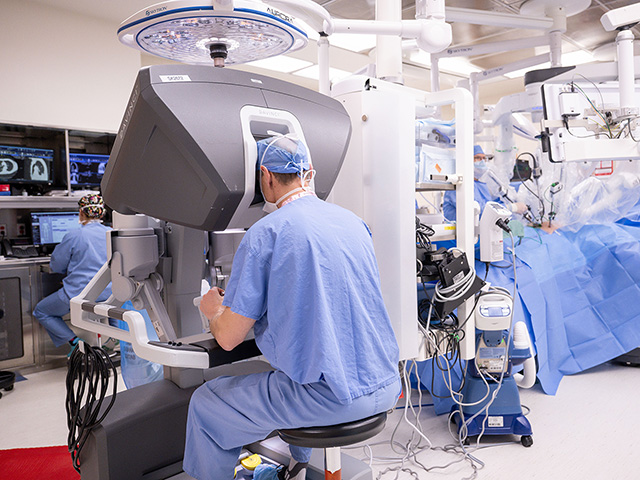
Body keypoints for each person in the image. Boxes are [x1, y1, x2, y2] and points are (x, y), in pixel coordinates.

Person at [183, 135, 401, 480]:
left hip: (334, 398)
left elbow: (228, 338)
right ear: (309, 172)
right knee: (292, 374)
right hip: (386, 383)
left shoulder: (265, 234)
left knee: (207, 403)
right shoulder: (353, 223)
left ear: (265, 176)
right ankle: (296, 468)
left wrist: (213, 310)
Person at [33, 194, 111, 351]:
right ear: (102, 213)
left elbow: (56, 266)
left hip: (80, 294)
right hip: (110, 294)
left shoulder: (74, 235)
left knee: (41, 311)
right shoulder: (113, 233)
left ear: (81, 213)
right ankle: (114, 341)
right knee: (113, 311)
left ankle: (75, 342)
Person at [442, 145, 527, 221]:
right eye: (478, 158)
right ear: (466, 161)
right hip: (459, 232)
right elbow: (478, 211)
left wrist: (508, 205)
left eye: (484, 158)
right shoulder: (458, 184)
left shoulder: (480, 185)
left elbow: (491, 204)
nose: (482, 161)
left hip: (477, 231)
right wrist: (511, 207)